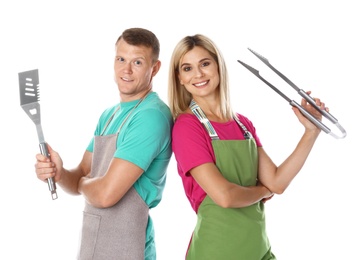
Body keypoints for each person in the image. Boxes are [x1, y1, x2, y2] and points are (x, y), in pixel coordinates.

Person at [168, 34, 328, 259]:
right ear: (180, 78)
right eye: (187, 68)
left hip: (259, 249)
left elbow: (277, 182)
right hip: (217, 251)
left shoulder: (243, 124)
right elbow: (225, 196)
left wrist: (311, 132)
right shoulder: (187, 127)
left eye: (205, 64)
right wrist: (263, 191)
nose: (198, 74)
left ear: (218, 66)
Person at [35, 27, 173, 260]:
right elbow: (81, 173)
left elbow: (106, 195)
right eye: (121, 59)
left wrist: (81, 184)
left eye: (137, 62)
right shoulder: (109, 115)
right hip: (94, 245)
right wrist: (60, 173)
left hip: (128, 247)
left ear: (155, 68)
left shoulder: (151, 116)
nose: (126, 70)